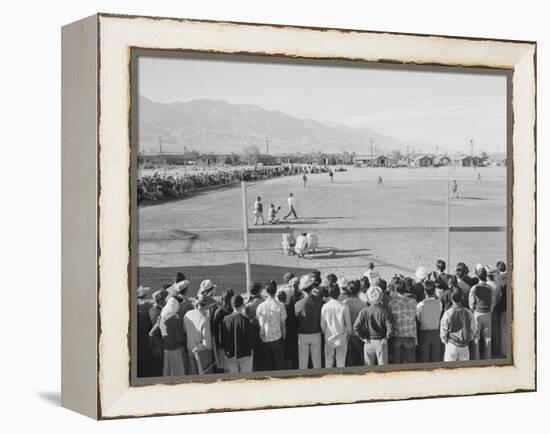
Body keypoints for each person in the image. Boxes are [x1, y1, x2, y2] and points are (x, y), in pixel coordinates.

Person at [353, 286, 393, 366]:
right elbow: (390, 327)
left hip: (368, 342)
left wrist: (362, 338)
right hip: (381, 342)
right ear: (380, 297)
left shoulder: (364, 311)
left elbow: (356, 327)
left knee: (368, 369)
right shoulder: (384, 311)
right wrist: (386, 337)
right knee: (383, 369)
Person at [220, 294, 258, 373]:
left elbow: (222, 338)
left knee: (234, 380)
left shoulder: (225, 320)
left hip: (230, 354)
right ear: (243, 305)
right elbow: (251, 339)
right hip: (245, 354)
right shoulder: (246, 320)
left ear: (231, 305)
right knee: (246, 379)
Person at [150, 297, 186, 376]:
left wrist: (162, 344)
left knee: (169, 373)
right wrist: (186, 339)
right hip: (177, 351)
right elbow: (179, 339)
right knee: (179, 374)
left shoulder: (161, 318)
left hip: (167, 351)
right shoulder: (177, 321)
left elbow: (151, 334)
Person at [294, 275, 325, 369]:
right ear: (312, 288)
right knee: (317, 361)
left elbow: (297, 317)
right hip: (316, 333)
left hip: (303, 334)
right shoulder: (321, 302)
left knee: (303, 361)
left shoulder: (298, 304)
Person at [256, 280, 287, 371]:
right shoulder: (280, 305)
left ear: (266, 291)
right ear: (276, 290)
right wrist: (284, 338)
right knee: (279, 366)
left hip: (265, 338)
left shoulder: (261, 306)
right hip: (277, 338)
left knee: (267, 366)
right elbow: (283, 324)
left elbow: (259, 322)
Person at [320, 284, 352, 368]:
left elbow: (322, 324)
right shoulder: (344, 306)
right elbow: (348, 325)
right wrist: (348, 334)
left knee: (328, 362)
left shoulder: (325, 306)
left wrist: (324, 333)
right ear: (339, 294)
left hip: (329, 337)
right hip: (341, 337)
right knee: (341, 363)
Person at [440, 290, 477, 361]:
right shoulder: (468, 312)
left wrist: (444, 340)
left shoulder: (448, 313)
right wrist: (470, 338)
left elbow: (443, 329)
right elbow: (473, 328)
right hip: (464, 345)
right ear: (462, 299)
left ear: (451, 299)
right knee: (464, 369)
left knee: (449, 369)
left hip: (451, 344)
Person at [388, 278, 418, 364]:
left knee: (396, 364)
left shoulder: (392, 303)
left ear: (396, 290)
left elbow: (390, 319)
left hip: (397, 335)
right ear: (405, 289)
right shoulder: (413, 302)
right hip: (410, 335)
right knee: (410, 363)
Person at [469, 266, 496, 360]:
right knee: (488, 337)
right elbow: (493, 302)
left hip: (477, 312)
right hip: (487, 312)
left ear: (477, 276)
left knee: (476, 337)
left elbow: (471, 303)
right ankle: (488, 357)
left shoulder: (474, 288)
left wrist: (473, 311)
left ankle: (476, 358)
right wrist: (490, 311)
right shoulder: (491, 288)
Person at [183, 295, 215, 375]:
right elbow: (207, 344)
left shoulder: (187, 314)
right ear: (206, 306)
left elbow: (184, 330)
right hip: (202, 352)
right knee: (206, 377)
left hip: (190, 349)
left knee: (194, 377)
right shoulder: (204, 320)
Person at [416, 280, 443, 362]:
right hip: (436, 332)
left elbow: (418, 318)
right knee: (435, 359)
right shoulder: (439, 303)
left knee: (424, 359)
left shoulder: (421, 304)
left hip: (424, 332)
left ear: (425, 291)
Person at [343, 280, 367, 366]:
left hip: (348, 336)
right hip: (359, 336)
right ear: (359, 290)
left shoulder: (345, 303)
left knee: (349, 361)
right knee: (360, 360)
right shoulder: (363, 304)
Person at [212, 289, 235, 372]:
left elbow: (214, 330)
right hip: (232, 343)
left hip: (223, 344)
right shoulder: (233, 311)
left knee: (226, 368)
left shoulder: (219, 312)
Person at [494, 261, 508, 357]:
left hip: (503, 308)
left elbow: (497, 295)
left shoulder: (498, 278)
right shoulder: (510, 276)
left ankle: (504, 352)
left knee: (503, 331)